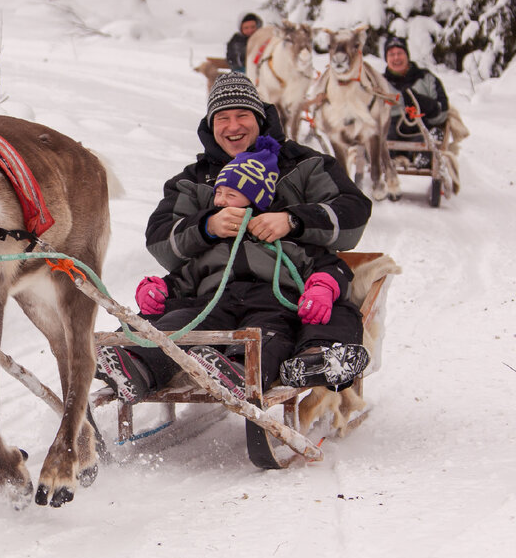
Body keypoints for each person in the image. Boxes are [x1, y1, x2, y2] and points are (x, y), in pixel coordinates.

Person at [96, 73, 373, 403]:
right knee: (175, 322)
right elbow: (161, 240)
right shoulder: (194, 181)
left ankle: (300, 361)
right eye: (222, 118)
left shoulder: (304, 165)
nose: (233, 126)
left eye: (242, 115)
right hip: (213, 293)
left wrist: (293, 220)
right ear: (211, 125)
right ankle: (133, 363)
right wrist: (206, 227)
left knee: (294, 323)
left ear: (260, 118)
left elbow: (352, 212)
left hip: (283, 290)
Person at [382, 35, 450, 169]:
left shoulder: (426, 79)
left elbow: (443, 111)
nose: (396, 58)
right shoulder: (379, 83)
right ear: (386, 58)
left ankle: (423, 156)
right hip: (390, 131)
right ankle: (386, 157)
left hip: (419, 127)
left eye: (400, 53)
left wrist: (424, 103)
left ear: (407, 55)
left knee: (427, 136)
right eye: (391, 54)